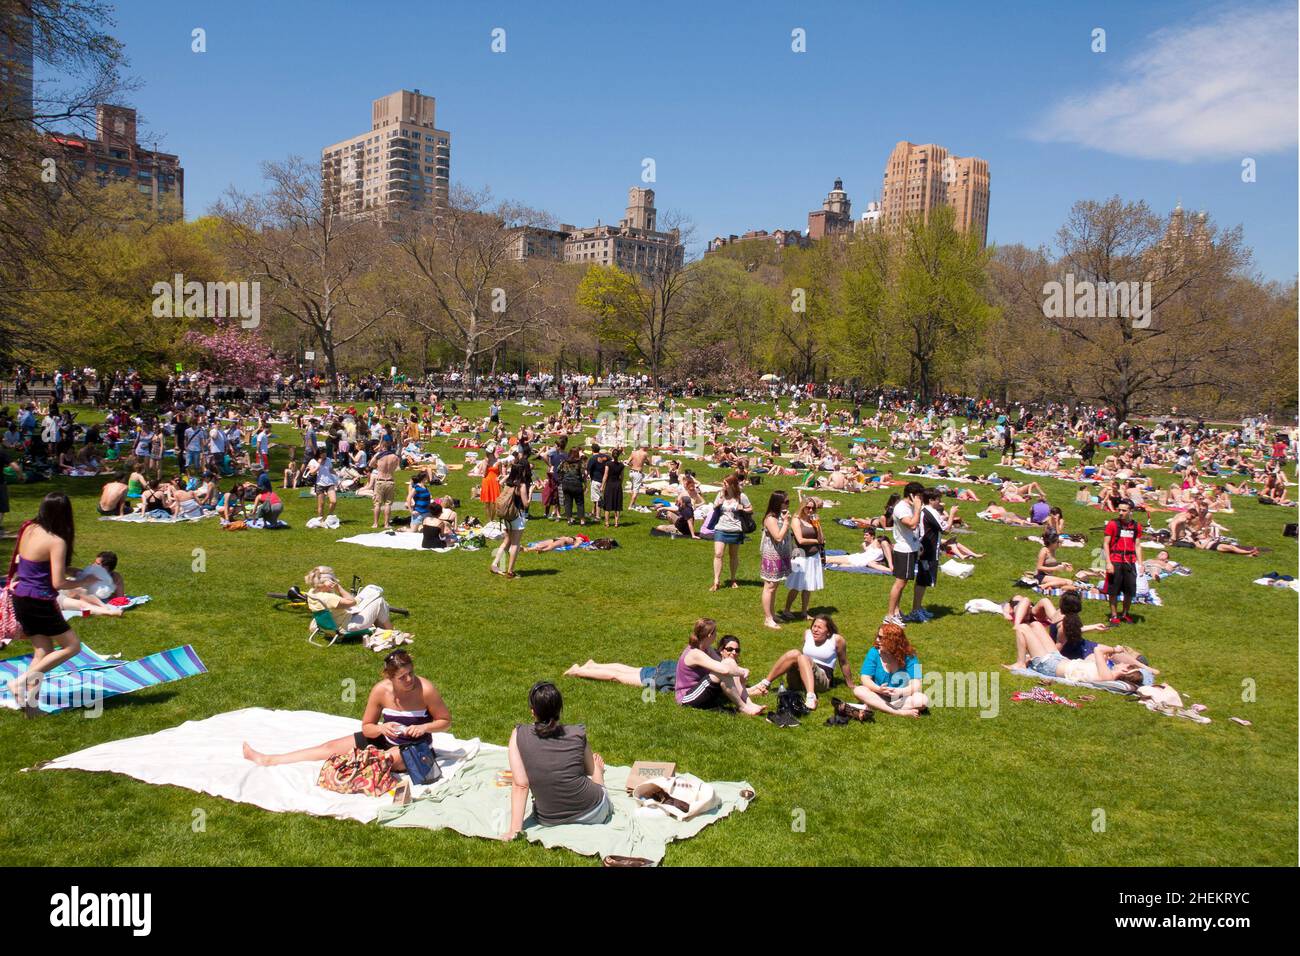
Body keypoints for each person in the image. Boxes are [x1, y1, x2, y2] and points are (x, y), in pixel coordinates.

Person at [242, 650, 451, 772]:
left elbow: (445, 721)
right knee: (330, 747)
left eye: (411, 673)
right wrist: (382, 728)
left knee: (383, 760)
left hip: (415, 747)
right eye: (402, 677)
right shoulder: (380, 691)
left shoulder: (426, 689)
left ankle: (350, 770)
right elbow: (367, 728)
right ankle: (270, 759)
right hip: (385, 739)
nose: (409, 680)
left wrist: (423, 727)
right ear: (389, 677)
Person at [2, 494, 94, 708]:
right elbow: (59, 582)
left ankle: (32, 707)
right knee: (72, 646)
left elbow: (33, 563)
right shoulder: (56, 541)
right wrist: (84, 582)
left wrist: (72, 570)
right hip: (39, 601)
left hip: (21, 597)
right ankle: (19, 683)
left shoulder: (29, 528)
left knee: (42, 652)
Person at [501, 682, 610, 840]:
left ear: (533, 711)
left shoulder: (518, 734)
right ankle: (601, 773)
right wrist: (595, 769)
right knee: (596, 772)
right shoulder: (577, 733)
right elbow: (589, 769)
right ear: (559, 709)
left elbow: (521, 784)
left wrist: (514, 830)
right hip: (594, 811)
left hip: (549, 818)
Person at [749, 614, 854, 710]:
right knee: (795, 653)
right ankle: (764, 684)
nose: (815, 630)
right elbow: (799, 657)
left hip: (822, 681)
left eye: (820, 628)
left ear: (828, 631)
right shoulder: (807, 634)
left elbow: (844, 662)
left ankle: (811, 697)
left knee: (803, 657)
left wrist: (850, 685)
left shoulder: (836, 640)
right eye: (814, 626)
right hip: (799, 680)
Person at [674, 618, 764, 716]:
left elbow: (724, 663)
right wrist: (741, 672)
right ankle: (743, 707)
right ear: (710, 635)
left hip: (701, 691)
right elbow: (724, 670)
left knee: (730, 663)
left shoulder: (707, 648)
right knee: (723, 672)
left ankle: (749, 703)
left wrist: (742, 669)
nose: (716, 636)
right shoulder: (695, 653)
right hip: (687, 698)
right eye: (715, 633)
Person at [853, 622, 929, 718]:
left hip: (901, 697)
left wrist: (900, 692)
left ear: (893, 640)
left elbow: (917, 684)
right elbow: (865, 678)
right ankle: (899, 712)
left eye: (881, 638)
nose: (877, 640)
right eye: (878, 636)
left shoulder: (911, 656)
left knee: (922, 700)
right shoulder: (873, 651)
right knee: (858, 690)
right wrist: (879, 689)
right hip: (879, 694)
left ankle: (876, 706)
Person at [303, 565, 393, 631]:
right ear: (326, 582)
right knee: (379, 601)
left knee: (363, 601)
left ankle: (380, 626)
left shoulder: (312, 592)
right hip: (345, 626)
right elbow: (353, 602)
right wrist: (339, 588)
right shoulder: (329, 598)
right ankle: (390, 631)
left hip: (330, 624)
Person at [884, 482, 925, 626]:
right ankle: (889, 615)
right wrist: (918, 509)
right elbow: (912, 524)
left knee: (903, 582)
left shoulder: (910, 506)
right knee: (899, 583)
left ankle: (896, 611)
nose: (921, 499)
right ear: (912, 495)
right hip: (904, 550)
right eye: (920, 496)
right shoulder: (901, 508)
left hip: (911, 547)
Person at [783, 497, 825, 621]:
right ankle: (786, 609)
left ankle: (804, 611)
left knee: (808, 586)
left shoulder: (813, 521)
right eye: (808, 507)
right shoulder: (796, 520)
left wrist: (818, 525)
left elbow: (822, 538)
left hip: (813, 556)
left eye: (813, 508)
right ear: (803, 507)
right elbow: (800, 540)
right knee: (796, 585)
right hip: (800, 556)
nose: (810, 510)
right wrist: (816, 541)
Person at [709, 473, 753, 592]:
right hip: (721, 528)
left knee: (733, 555)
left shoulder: (741, 496)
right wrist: (722, 497)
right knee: (718, 553)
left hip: (735, 528)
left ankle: (733, 579)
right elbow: (714, 507)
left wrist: (742, 508)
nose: (723, 485)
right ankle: (716, 580)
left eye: (725, 483)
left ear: (732, 484)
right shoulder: (721, 494)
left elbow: (750, 508)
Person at [1102, 500, 1143, 625]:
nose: (1120, 513)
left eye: (1124, 510)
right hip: (1115, 560)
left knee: (1129, 591)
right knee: (1113, 590)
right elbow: (1106, 544)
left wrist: (1141, 563)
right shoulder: (1112, 524)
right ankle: (1114, 615)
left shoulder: (1137, 526)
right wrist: (1108, 563)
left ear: (1131, 511)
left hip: (1130, 562)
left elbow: (1137, 545)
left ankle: (1125, 614)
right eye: (1119, 510)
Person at [490, 455, 530, 579]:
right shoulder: (521, 486)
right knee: (515, 544)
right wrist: (532, 492)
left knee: (506, 541)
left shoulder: (509, 483)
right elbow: (526, 504)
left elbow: (500, 482)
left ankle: (495, 564)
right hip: (516, 516)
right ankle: (510, 571)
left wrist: (508, 475)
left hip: (506, 516)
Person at [759, 490, 793, 629]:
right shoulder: (771, 518)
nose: (788, 504)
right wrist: (786, 523)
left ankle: (772, 614)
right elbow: (778, 537)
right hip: (772, 555)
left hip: (782, 553)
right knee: (770, 586)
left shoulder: (780, 516)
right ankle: (768, 618)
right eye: (786, 502)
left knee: (775, 585)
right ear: (778, 503)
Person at [825, 527, 894, 572]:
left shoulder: (879, 542)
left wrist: (890, 566)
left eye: (866, 535)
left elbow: (885, 544)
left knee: (828, 559)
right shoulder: (870, 546)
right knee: (829, 558)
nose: (864, 537)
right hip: (855, 557)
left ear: (872, 536)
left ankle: (816, 560)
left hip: (857, 561)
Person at [370, 442, 400, 529]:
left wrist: (378, 466)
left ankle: (375, 523)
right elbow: (397, 468)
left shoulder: (379, 455)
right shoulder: (395, 457)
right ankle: (386, 524)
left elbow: (370, 464)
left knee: (377, 504)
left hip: (380, 480)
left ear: (383, 447)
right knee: (388, 504)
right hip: (390, 480)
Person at [306, 448, 338, 521]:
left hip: (330, 483)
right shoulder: (313, 461)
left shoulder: (328, 460)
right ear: (319, 454)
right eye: (322, 453)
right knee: (321, 504)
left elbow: (330, 469)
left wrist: (336, 474)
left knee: (333, 501)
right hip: (319, 484)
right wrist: (319, 465)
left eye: (325, 453)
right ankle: (321, 519)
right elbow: (312, 472)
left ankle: (330, 515)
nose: (324, 454)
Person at [557, 447, 586, 525]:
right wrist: (585, 485)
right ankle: (582, 520)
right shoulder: (580, 462)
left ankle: (569, 519)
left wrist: (561, 479)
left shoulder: (564, 462)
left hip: (566, 484)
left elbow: (558, 470)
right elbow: (584, 474)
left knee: (568, 502)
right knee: (580, 502)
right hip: (577, 484)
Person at [599, 448, 625, 528]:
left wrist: (602, 486)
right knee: (617, 505)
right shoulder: (621, 465)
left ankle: (607, 523)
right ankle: (616, 523)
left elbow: (605, 475)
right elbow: (622, 477)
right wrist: (619, 484)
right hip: (617, 485)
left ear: (611, 455)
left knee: (608, 505)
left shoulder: (608, 464)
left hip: (609, 485)